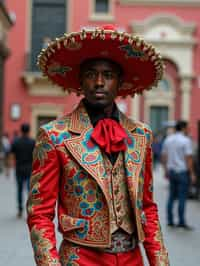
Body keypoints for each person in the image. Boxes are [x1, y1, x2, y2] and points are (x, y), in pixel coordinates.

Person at [27, 25, 169, 265]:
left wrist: (160, 261)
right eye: (91, 74)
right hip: (80, 258)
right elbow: (39, 214)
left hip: (132, 259)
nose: (99, 82)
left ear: (120, 82)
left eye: (108, 75)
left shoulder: (141, 135)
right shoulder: (54, 136)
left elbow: (147, 207)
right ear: (81, 81)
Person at [161, 120, 196, 229]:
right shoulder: (186, 140)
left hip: (171, 171)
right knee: (182, 197)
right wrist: (192, 173)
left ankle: (170, 221)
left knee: (171, 196)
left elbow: (164, 156)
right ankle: (181, 221)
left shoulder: (168, 139)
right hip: (182, 171)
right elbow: (188, 158)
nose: (188, 130)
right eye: (187, 128)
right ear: (183, 128)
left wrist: (165, 169)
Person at [11, 123, 35, 218]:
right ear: (29, 130)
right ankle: (30, 210)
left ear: (21, 130)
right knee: (30, 191)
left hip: (19, 169)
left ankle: (20, 210)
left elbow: (11, 155)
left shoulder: (16, 142)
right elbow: (35, 156)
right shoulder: (33, 142)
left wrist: (9, 168)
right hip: (30, 169)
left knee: (19, 190)